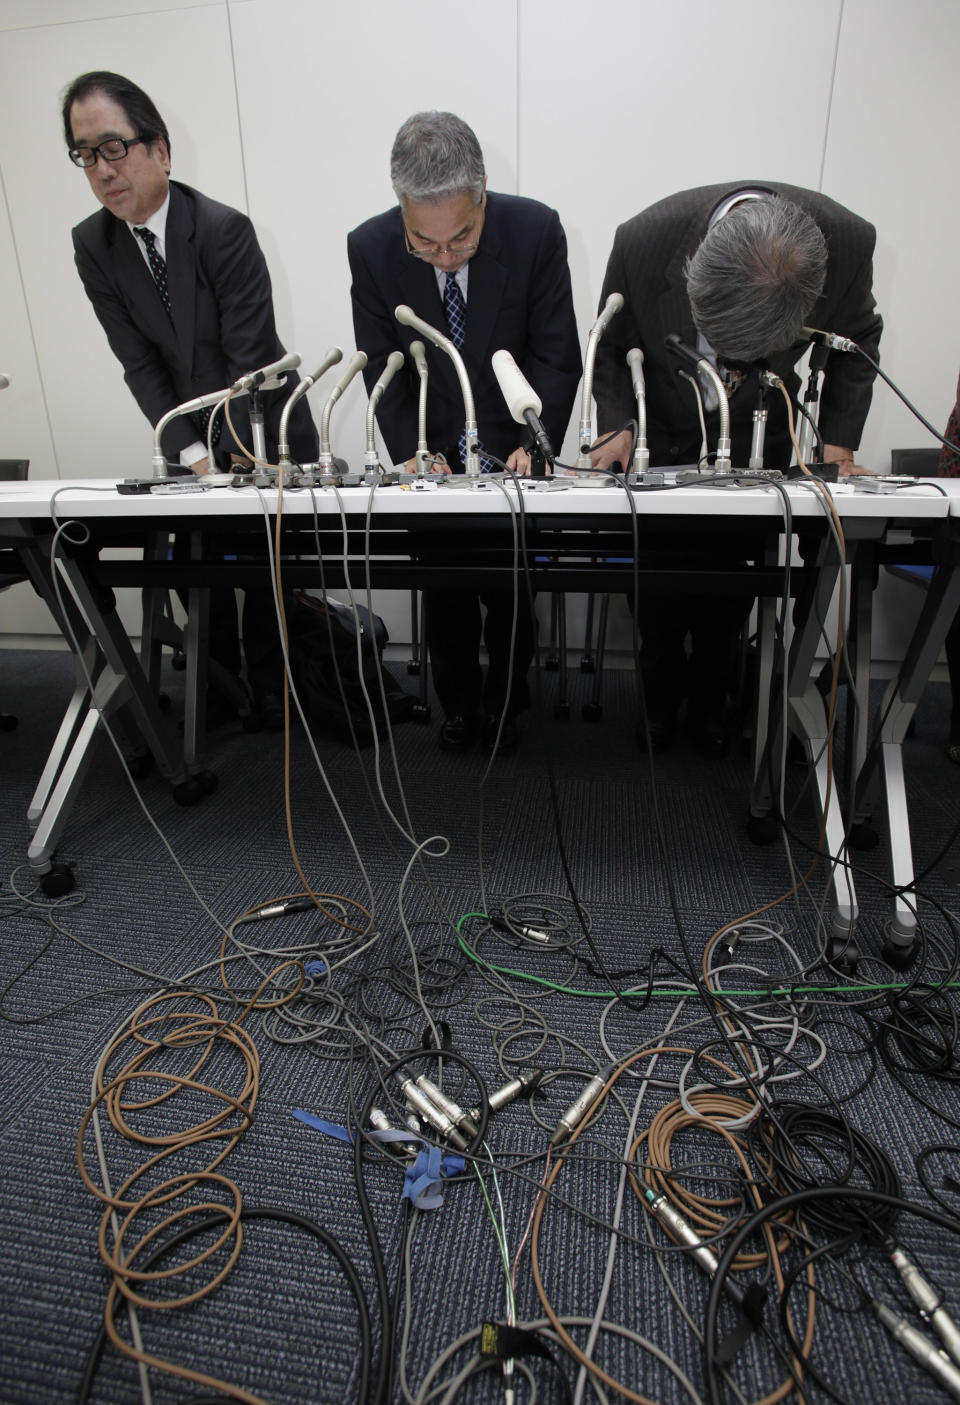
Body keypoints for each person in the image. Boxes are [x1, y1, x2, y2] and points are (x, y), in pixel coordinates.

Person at [63, 70, 318, 729]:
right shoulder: (93, 245)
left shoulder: (224, 230)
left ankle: (274, 696)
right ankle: (224, 690)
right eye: (85, 153)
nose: (101, 168)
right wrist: (196, 459)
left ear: (161, 151)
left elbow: (248, 361)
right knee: (191, 566)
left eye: (113, 147)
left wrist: (229, 458)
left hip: (263, 425)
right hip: (190, 437)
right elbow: (140, 364)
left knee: (268, 577)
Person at [590, 183, 883, 755]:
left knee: (731, 596)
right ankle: (657, 706)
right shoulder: (645, 240)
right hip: (664, 436)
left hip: (758, 440)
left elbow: (858, 339)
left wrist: (839, 444)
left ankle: (710, 709)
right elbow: (610, 344)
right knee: (658, 595)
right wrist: (620, 423)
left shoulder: (848, 242)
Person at [348, 111, 582, 754]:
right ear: (402, 209)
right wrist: (414, 454)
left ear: (481, 193)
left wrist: (536, 444)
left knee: (510, 590)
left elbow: (558, 354)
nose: (444, 257)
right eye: (425, 244)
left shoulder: (534, 230)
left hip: (514, 450)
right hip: (434, 454)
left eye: (461, 239)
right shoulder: (369, 248)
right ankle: (459, 706)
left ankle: (509, 701)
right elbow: (384, 370)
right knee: (443, 587)